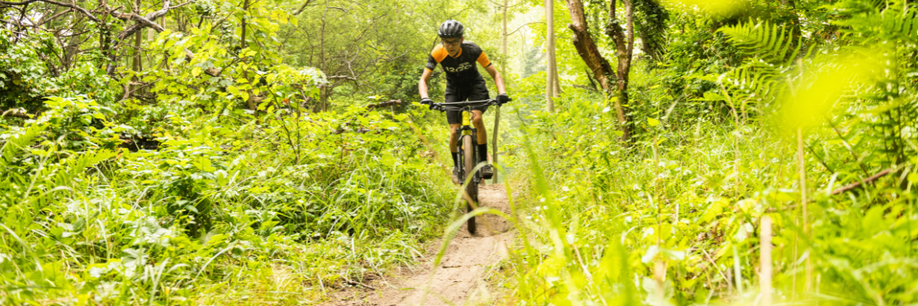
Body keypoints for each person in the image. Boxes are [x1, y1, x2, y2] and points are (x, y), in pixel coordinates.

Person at [419, 20, 511, 183]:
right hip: (454, 89)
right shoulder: (437, 52)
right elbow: (423, 80)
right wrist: (425, 97)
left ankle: (483, 163)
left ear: (461, 40)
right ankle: (457, 166)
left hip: (475, 86)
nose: (450, 45)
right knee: (454, 131)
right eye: (446, 42)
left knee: (477, 119)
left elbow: (495, 73)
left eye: (454, 41)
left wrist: (502, 93)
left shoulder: (472, 50)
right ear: (442, 41)